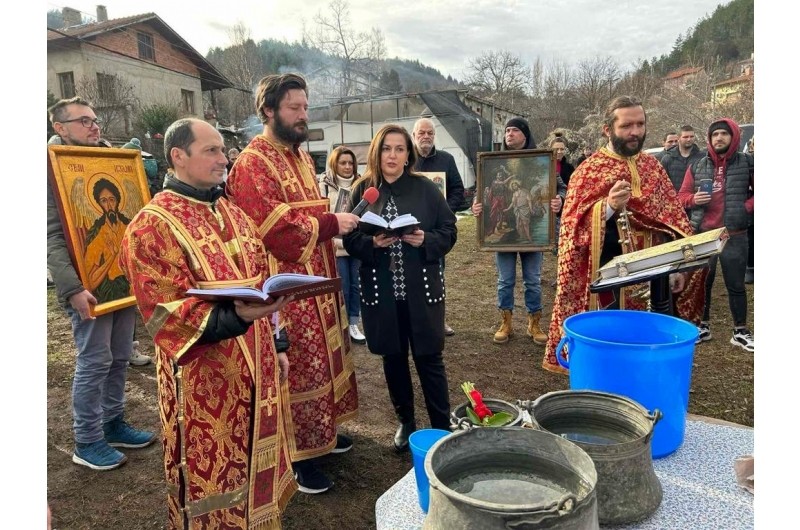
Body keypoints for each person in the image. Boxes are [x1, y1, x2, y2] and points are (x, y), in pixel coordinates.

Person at [119, 118, 297, 528]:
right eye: (211, 151)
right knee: (214, 475)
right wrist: (235, 316)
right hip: (204, 381)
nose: (224, 159)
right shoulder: (152, 225)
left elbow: (261, 278)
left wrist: (279, 343)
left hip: (259, 360)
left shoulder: (230, 209)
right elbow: (166, 313)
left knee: (257, 460)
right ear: (178, 157)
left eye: (223, 150)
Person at [226, 73, 359, 494]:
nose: (303, 116)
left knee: (323, 359)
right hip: (283, 287)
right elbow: (276, 230)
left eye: (305, 107)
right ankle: (299, 459)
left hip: (316, 276)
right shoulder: (252, 163)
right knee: (296, 368)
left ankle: (324, 434)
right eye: (294, 109)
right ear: (268, 111)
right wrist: (332, 222)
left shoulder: (301, 156)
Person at [543, 95, 706, 374]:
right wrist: (606, 207)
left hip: (656, 279)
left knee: (649, 351)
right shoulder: (589, 170)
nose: (635, 132)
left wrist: (678, 267)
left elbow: (673, 221)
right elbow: (571, 229)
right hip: (610, 280)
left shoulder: (653, 167)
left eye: (640, 124)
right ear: (608, 129)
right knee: (612, 351)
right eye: (627, 126)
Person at [47, 96, 156, 471]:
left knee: (121, 354)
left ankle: (113, 422)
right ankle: (87, 438)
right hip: (84, 284)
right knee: (95, 359)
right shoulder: (49, 169)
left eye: (95, 120)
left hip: (121, 284)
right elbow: (51, 236)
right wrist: (72, 288)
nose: (95, 126)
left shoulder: (110, 160)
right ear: (60, 128)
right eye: (84, 121)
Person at [342, 124, 457, 452]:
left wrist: (427, 240)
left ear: (408, 155)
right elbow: (350, 236)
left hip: (421, 290)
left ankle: (441, 426)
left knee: (429, 359)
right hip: (382, 292)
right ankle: (406, 422)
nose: (392, 155)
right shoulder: (364, 190)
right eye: (386, 148)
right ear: (377, 152)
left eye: (399, 149)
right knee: (393, 358)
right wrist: (371, 243)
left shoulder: (426, 190)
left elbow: (449, 230)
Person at [471, 117, 565, 345]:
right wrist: (476, 203)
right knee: (505, 280)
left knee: (532, 280)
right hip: (504, 239)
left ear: (524, 134)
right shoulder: (494, 163)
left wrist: (560, 199)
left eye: (514, 130)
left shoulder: (542, 160)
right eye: (507, 131)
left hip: (535, 239)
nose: (509, 134)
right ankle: (506, 322)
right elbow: (481, 190)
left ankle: (535, 323)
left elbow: (560, 187)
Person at [678, 118, 754, 352]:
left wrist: (745, 208)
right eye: (714, 135)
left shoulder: (748, 163)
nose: (719, 138)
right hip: (705, 234)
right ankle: (703, 325)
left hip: (734, 233)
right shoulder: (698, 165)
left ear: (733, 136)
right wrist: (693, 200)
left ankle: (740, 331)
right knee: (703, 283)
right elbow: (681, 195)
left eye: (723, 133)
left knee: (735, 284)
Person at [411, 117, 467, 337]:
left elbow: (458, 190)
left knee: (437, 275)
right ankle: (414, 319)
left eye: (430, 133)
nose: (426, 137)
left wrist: (445, 211)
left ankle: (439, 320)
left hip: (435, 232)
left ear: (435, 136)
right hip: (408, 230)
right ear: (414, 135)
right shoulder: (406, 159)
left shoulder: (446, 159)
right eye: (422, 133)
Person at [319, 145, 366, 344]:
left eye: (350, 163)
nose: (347, 167)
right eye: (343, 162)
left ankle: (353, 322)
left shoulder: (361, 183)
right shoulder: (323, 184)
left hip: (355, 242)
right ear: (334, 163)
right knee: (342, 285)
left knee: (356, 285)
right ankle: (341, 324)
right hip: (335, 244)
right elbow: (321, 212)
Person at [658, 125, 703, 191]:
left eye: (691, 136)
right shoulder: (668, 158)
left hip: (695, 198)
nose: (689, 139)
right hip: (675, 198)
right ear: (679, 138)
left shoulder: (702, 157)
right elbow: (661, 181)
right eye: (685, 137)